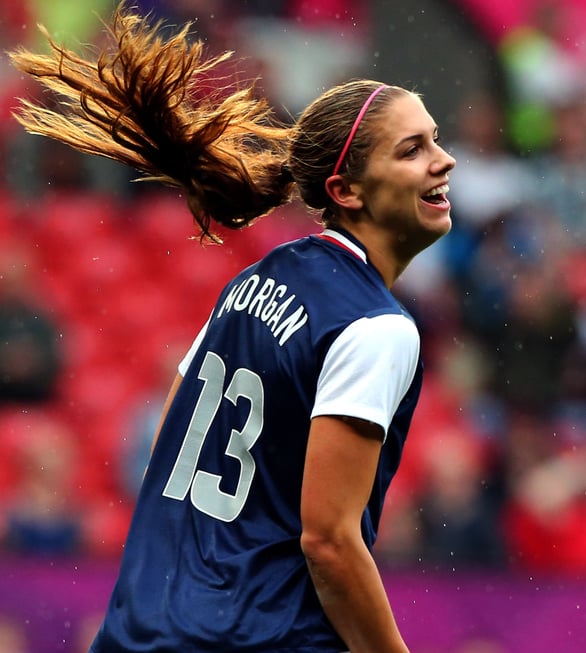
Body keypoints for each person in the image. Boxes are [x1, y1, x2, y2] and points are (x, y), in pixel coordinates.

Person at [9, 3, 455, 652]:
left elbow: (170, 444)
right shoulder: (376, 326)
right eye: (413, 149)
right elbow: (329, 542)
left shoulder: (259, 276)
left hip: (141, 630)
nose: (442, 161)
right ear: (349, 190)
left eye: (436, 140)